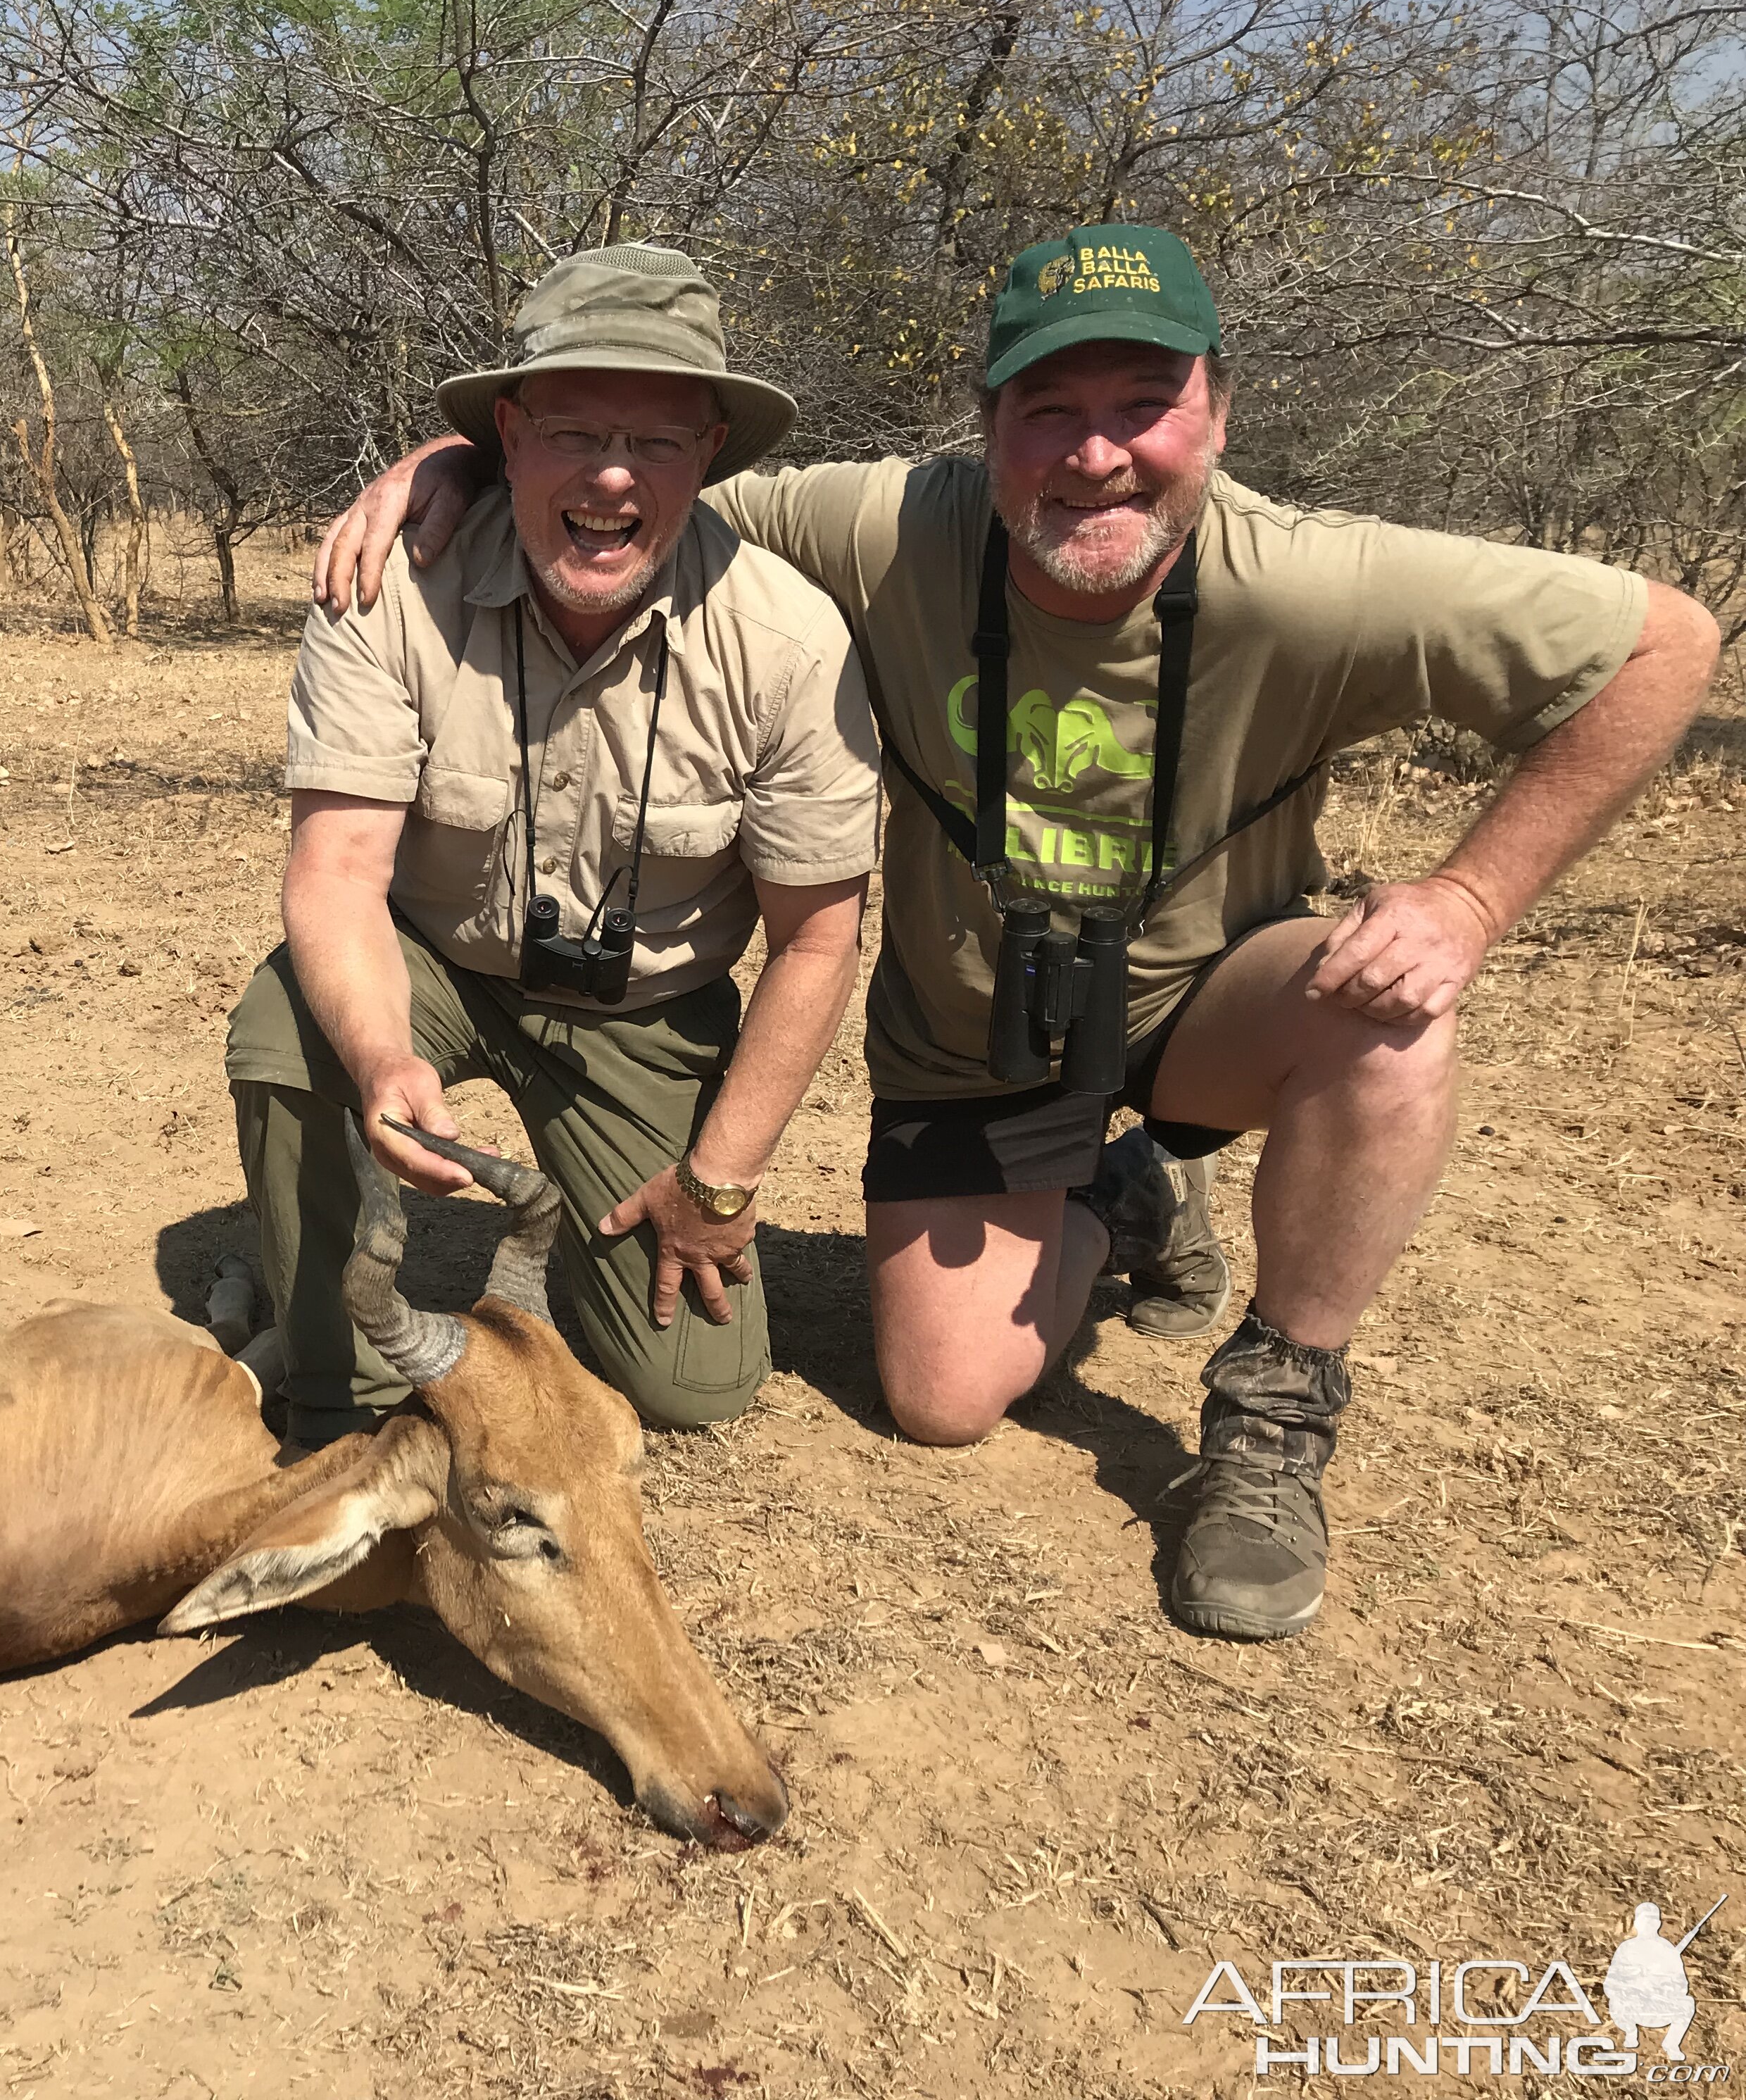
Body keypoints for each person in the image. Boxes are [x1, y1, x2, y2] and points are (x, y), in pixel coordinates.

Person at [313, 223, 1721, 1639]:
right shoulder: (889, 527)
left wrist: (1467, 898)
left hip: (1205, 1008)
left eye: (1143, 405)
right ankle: (1129, 1201)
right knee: (939, 1402)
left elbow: (1665, 644)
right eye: (1048, 408)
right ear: (986, 427)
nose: (1094, 453)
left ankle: (1277, 1409)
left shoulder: (1315, 582)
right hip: (977, 1036)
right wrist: (459, 463)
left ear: (1217, 414)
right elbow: (642, 471)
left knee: (1393, 1021)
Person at [227, 243, 880, 1442]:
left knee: (696, 1384)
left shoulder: (788, 639)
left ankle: (587, 1243)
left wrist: (719, 1178)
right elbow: (334, 875)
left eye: (658, 442)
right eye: (574, 432)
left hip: (646, 1012)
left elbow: (816, 940)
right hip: (436, 963)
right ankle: (340, 1375)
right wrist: (380, 1058)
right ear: (508, 439)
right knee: (288, 1029)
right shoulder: (387, 591)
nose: (613, 475)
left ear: (710, 457)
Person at [1604, 1904, 1697, 2061]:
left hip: (1658, 2007)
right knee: (1616, 2002)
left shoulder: (1667, 1949)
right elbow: (1611, 1982)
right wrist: (1632, 1986)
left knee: (1687, 2003)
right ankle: (1631, 2032)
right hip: (1632, 2006)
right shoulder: (1626, 1948)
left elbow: (1682, 1984)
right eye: (1645, 1919)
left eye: (1654, 1919)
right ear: (1637, 1922)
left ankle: (1672, 2044)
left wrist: (1664, 1989)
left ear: (1659, 1923)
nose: (1649, 1924)